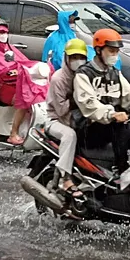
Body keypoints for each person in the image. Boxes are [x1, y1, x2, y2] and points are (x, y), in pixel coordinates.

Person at [73, 28, 130, 186]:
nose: (115, 55)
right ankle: (122, 172)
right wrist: (111, 114)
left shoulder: (114, 73)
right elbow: (89, 104)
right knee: (120, 126)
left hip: (108, 125)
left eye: (117, 52)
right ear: (98, 50)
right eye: (111, 51)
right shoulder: (84, 74)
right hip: (89, 128)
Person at [0, 19, 50, 145]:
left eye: (5, 32)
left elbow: (24, 62)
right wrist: (6, 71)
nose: (3, 35)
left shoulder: (11, 49)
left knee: (33, 95)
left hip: (15, 83)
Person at [45, 38, 88, 198]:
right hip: (56, 120)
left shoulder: (85, 76)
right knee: (70, 135)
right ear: (66, 58)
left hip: (77, 118)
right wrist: (77, 96)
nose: (78, 61)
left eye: (81, 57)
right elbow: (61, 110)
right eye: (74, 57)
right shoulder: (59, 79)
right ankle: (65, 178)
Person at [42, 10, 121, 71]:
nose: (73, 24)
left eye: (74, 21)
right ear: (64, 21)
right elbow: (58, 57)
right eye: (71, 21)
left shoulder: (72, 34)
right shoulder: (54, 38)